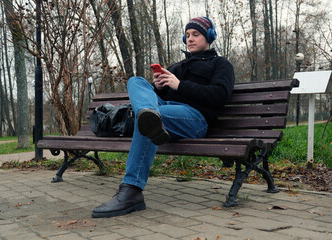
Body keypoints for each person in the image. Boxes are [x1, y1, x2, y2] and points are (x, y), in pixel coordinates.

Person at [92, 16, 235, 218]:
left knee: (149, 117)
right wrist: (158, 89)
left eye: (196, 34)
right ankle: (148, 116)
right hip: (166, 112)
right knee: (136, 81)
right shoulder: (176, 67)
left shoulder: (220, 64)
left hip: (195, 118)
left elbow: (219, 96)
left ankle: (132, 189)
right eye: (187, 35)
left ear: (209, 37)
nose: (190, 39)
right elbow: (161, 97)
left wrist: (180, 85)